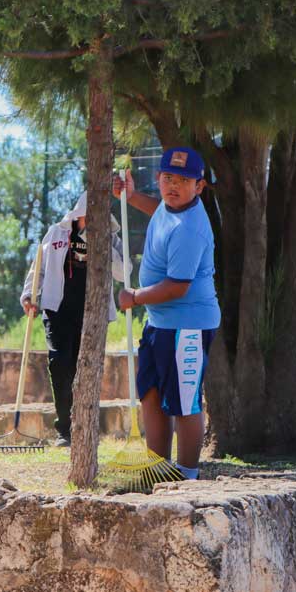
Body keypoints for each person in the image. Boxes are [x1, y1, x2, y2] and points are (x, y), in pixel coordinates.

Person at [113, 146, 221, 481]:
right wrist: (132, 197)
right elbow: (159, 208)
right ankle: (157, 470)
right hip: (160, 323)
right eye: (167, 177)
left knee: (183, 401)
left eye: (183, 180)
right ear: (159, 178)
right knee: (152, 394)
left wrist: (134, 296)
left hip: (188, 325)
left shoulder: (190, 228)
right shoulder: (172, 205)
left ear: (199, 186)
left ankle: (186, 473)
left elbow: (178, 286)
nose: (173, 185)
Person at [20, 192, 125, 446]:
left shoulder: (111, 238)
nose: (91, 220)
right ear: (78, 213)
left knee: (84, 369)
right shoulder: (56, 233)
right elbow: (39, 268)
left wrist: (104, 245)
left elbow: (124, 274)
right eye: (87, 215)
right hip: (57, 309)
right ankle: (64, 429)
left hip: (91, 315)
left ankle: (84, 426)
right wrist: (28, 296)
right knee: (59, 363)